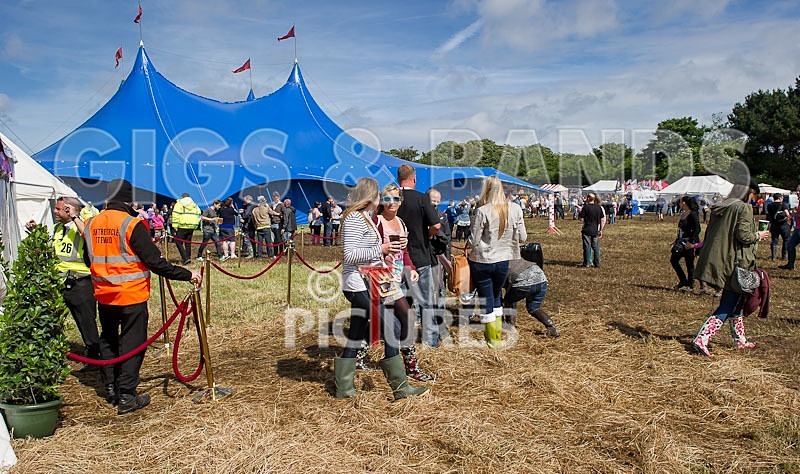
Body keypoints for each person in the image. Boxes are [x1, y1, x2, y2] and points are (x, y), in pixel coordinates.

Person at [84, 179, 200, 414]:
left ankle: (110, 386)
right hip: (131, 295)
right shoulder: (132, 224)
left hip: (103, 294)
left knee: (107, 340)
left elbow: (89, 259)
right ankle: (126, 394)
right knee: (132, 344)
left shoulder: (90, 224)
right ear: (128, 200)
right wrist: (187, 274)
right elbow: (154, 262)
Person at [333, 177, 427, 399]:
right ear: (370, 197)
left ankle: (344, 388)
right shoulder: (355, 218)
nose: (380, 199)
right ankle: (400, 386)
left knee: (356, 333)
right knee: (390, 327)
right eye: (377, 195)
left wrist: (385, 254)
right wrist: (381, 248)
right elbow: (350, 255)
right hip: (358, 284)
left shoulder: (364, 217)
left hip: (370, 280)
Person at [691, 179, 770, 357]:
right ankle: (702, 339)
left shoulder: (722, 206)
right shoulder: (743, 208)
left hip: (723, 261)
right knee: (728, 304)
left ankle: (740, 340)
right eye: (754, 195)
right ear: (750, 193)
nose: (753, 199)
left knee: (737, 304)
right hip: (736, 263)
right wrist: (759, 234)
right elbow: (744, 236)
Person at [29, 197, 101, 371]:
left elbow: (88, 235)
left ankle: (94, 356)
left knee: (86, 322)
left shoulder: (81, 227)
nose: (55, 211)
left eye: (59, 209)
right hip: (60, 282)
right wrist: (36, 232)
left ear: (69, 210)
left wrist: (75, 217)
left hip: (81, 282)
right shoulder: (58, 229)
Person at [374, 184, 433, 381]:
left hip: (398, 277)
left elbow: (404, 252)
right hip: (382, 278)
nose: (392, 203)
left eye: (396, 199)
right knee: (407, 317)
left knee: (391, 322)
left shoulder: (400, 222)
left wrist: (412, 268)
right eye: (387, 198)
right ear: (381, 200)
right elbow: (369, 250)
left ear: (401, 201)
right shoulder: (376, 221)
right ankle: (411, 366)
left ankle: (358, 354)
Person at [466, 175, 527, 349]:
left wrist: (467, 244)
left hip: (483, 261)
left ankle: (492, 340)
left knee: (486, 299)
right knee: (496, 297)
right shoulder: (515, 208)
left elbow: (474, 240)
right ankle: (497, 337)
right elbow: (523, 237)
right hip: (503, 261)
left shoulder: (483, 210)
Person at [395, 164, 443, 348]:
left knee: (400, 302)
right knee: (426, 302)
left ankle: (402, 340)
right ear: (414, 178)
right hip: (420, 255)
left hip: (398, 258)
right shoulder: (422, 198)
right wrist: (427, 235)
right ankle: (430, 342)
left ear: (399, 178)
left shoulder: (392, 198)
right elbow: (436, 225)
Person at [502, 258, 559, 337]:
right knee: (534, 308)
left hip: (524, 282)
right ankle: (552, 328)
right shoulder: (510, 257)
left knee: (509, 301)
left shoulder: (496, 266)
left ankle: (510, 327)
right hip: (541, 279)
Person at [670, 196, 701, 291]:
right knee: (673, 260)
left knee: (689, 264)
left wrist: (691, 242)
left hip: (689, 243)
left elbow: (697, 229)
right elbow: (681, 230)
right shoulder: (684, 213)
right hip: (681, 242)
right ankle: (683, 280)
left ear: (684, 203)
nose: (679, 204)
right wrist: (675, 241)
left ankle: (690, 285)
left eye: (680, 202)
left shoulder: (693, 214)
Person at [172, 193, 201, 265]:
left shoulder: (179, 203)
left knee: (178, 241)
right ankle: (188, 257)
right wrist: (195, 224)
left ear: (182, 197)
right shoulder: (194, 205)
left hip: (182, 225)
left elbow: (175, 214)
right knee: (188, 243)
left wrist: (175, 226)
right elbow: (199, 214)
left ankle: (185, 258)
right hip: (191, 226)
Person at [578, 193, 605, 268]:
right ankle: (597, 263)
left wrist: (579, 213)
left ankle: (586, 263)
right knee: (595, 247)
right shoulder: (598, 207)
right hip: (595, 230)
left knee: (587, 247)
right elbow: (602, 218)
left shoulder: (586, 207)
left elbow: (581, 218)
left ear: (588, 198)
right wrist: (600, 229)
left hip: (587, 229)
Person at [766, 193, 791, 262]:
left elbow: (769, 215)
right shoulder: (783, 204)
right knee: (786, 240)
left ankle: (773, 257)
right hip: (783, 225)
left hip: (774, 225)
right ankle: (784, 256)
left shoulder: (769, 205)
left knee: (774, 241)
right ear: (780, 198)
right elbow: (787, 214)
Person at [779, 201, 799, 270]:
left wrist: (794, 214)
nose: (797, 193)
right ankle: (790, 265)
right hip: (797, 228)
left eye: (799, 192)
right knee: (790, 245)